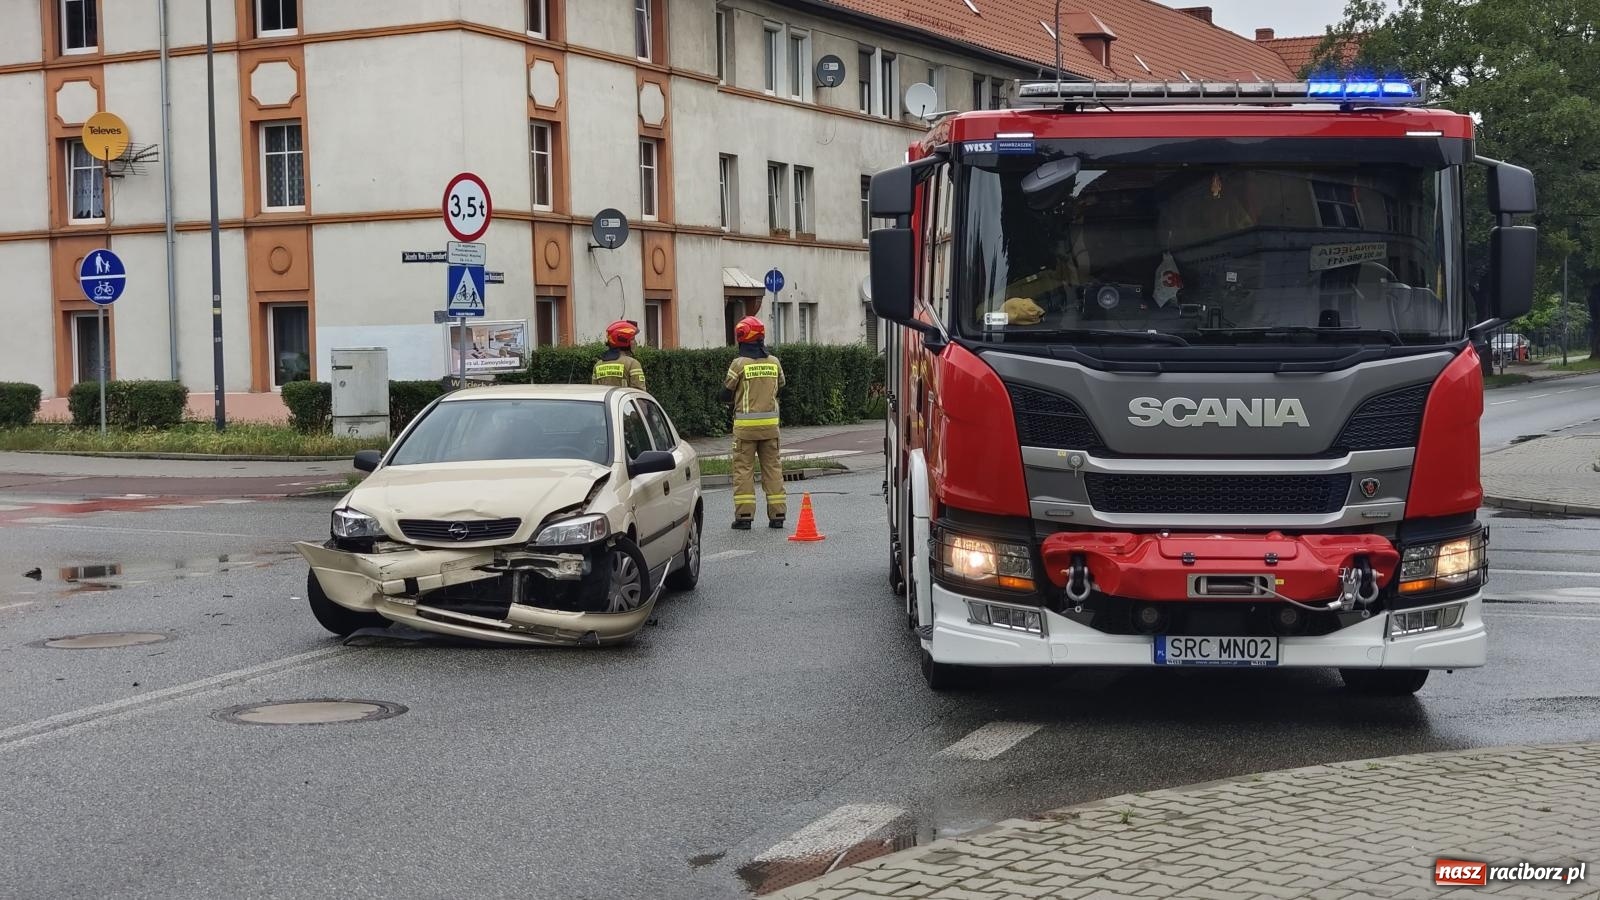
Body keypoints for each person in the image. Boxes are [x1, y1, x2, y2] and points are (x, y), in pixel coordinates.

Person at [721, 316, 786, 530]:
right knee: (773, 470)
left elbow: (725, 393)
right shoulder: (774, 362)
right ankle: (778, 516)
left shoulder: (739, 364)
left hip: (745, 430)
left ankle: (745, 517)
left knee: (743, 471)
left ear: (742, 338)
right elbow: (782, 385)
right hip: (770, 428)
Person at [591, 320, 647, 389]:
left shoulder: (597, 365)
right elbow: (639, 393)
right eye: (632, 339)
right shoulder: (632, 364)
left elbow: (594, 391)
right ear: (623, 340)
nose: (635, 342)